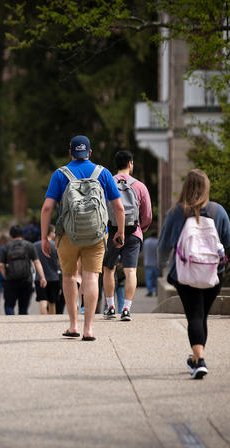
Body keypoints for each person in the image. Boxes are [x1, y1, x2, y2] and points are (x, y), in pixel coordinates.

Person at [40, 135, 125, 341]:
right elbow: (119, 207)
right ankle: (88, 329)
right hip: (96, 235)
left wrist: (44, 237)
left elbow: (47, 208)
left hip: (67, 234)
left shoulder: (60, 174)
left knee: (69, 277)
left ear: (70, 152)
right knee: (92, 277)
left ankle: (73, 325)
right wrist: (120, 232)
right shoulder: (103, 173)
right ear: (90, 152)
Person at [157, 169, 230, 379]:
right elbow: (228, 241)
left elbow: (164, 245)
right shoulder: (218, 211)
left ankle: (199, 360)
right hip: (212, 273)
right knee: (202, 317)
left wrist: (163, 264)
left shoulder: (176, 212)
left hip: (185, 274)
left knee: (194, 316)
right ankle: (196, 357)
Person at [101, 150, 152, 321]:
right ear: (130, 164)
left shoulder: (107, 183)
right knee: (131, 271)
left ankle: (110, 306)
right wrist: (140, 230)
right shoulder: (139, 186)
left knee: (109, 269)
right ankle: (126, 309)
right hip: (133, 232)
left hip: (112, 232)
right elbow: (147, 215)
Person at [0, 225, 46, 315]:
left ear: (10, 235)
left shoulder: (6, 247)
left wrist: (6, 276)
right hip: (26, 280)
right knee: (23, 307)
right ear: (22, 234)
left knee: (9, 305)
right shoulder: (29, 245)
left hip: (10, 280)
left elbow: (1, 265)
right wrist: (42, 277)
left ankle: (10, 323)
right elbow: (36, 262)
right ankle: (21, 326)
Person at [34, 225, 61, 315]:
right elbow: (60, 262)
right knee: (52, 303)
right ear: (50, 232)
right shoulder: (56, 245)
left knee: (42, 301)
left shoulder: (35, 245)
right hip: (54, 277)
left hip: (39, 278)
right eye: (54, 232)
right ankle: (51, 321)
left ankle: (43, 319)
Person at [142, 231, 159, 297]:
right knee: (156, 278)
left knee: (148, 278)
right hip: (156, 263)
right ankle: (157, 292)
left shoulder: (146, 241)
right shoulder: (158, 242)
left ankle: (150, 291)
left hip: (147, 263)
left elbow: (143, 251)